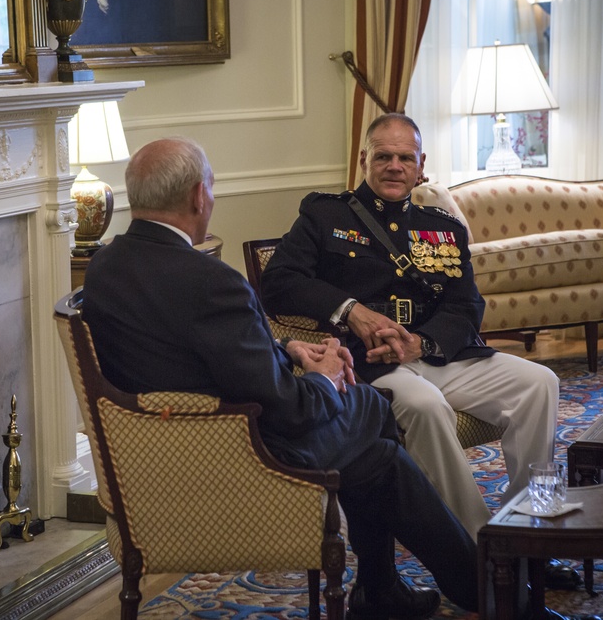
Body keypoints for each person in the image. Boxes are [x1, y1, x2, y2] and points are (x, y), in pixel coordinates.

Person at [80, 136, 479, 618]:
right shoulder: (211, 280)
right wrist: (328, 376)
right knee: (373, 412)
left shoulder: (104, 266)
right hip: (243, 452)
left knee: (378, 458)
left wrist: (283, 347)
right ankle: (459, 590)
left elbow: (182, 350)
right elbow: (290, 410)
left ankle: (386, 590)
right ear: (197, 197)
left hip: (161, 452)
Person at [259, 113, 562, 545]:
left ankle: (528, 532)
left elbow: (466, 304)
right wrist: (350, 310)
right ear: (364, 160)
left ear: (421, 163)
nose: (394, 166)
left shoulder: (443, 228)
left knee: (540, 382)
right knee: (426, 405)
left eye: (405, 157)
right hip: (372, 361)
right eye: (383, 156)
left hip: (436, 353)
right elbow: (279, 281)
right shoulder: (325, 215)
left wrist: (423, 342)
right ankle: (477, 544)